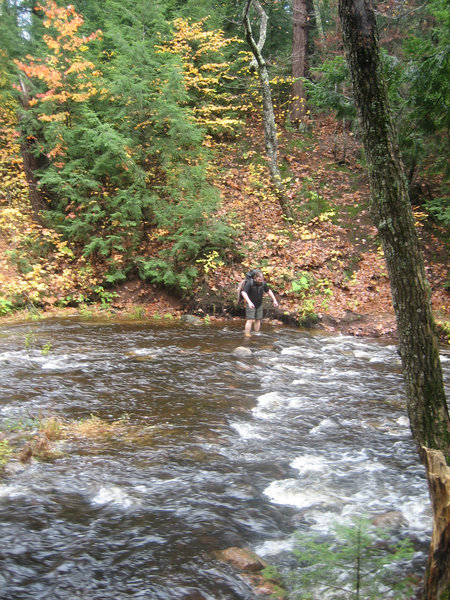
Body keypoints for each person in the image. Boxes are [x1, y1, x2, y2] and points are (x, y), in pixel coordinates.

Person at [241, 269, 278, 336]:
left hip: (259, 304)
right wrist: (249, 302)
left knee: (258, 319)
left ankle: (256, 333)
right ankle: (247, 334)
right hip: (250, 304)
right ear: (255, 278)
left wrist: (274, 300)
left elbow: (268, 291)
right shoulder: (250, 283)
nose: (260, 281)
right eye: (259, 279)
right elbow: (243, 293)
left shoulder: (263, 284)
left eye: (262, 279)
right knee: (250, 320)